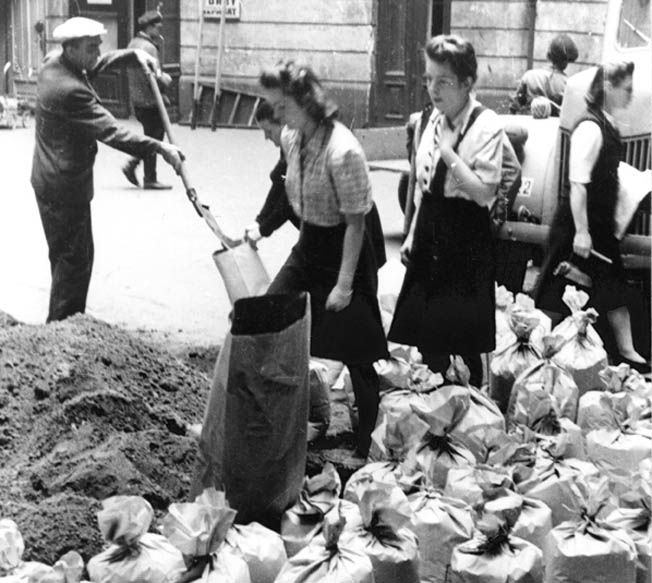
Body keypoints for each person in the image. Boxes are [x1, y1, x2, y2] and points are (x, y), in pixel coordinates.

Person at [259, 60, 388, 457]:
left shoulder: (344, 151)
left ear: (306, 102)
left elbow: (356, 225)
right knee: (267, 317)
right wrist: (260, 226)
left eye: (282, 106)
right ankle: (271, 424)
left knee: (357, 351)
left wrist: (345, 285)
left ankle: (369, 439)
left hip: (346, 249)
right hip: (309, 245)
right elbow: (284, 189)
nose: (275, 115)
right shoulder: (291, 137)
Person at [31, 17, 184, 323]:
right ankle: (64, 329)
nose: (98, 53)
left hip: (51, 182)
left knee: (67, 259)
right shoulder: (70, 90)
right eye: (91, 47)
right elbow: (114, 132)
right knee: (74, 262)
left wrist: (132, 55)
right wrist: (161, 148)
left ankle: (62, 327)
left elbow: (95, 66)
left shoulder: (55, 63)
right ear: (72, 49)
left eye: (99, 46)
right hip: (64, 187)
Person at [388, 35, 505, 388]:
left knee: (465, 337)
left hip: (465, 235)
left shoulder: (487, 125)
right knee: (427, 334)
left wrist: (451, 155)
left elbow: (485, 193)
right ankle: (436, 407)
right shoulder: (429, 119)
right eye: (428, 79)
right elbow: (422, 184)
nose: (433, 89)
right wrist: (411, 235)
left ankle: (471, 407)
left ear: (468, 83)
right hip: (430, 228)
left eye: (444, 81)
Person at [535, 61, 650, 373]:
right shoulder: (590, 127)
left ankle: (629, 354)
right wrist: (582, 232)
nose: (630, 95)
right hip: (579, 224)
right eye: (626, 89)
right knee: (554, 292)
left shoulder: (606, 123)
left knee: (613, 286)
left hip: (597, 225)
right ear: (608, 87)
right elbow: (578, 184)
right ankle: (537, 352)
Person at [122, 10, 173, 190]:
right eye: (158, 27)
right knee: (155, 138)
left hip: (137, 100)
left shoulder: (133, 43)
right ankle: (147, 176)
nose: (160, 30)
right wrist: (165, 83)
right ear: (149, 27)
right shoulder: (149, 48)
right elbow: (153, 77)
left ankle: (135, 166)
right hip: (151, 101)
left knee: (152, 137)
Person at [243, 100, 299, 245]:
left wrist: (263, 230)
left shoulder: (295, 143)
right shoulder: (287, 142)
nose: (266, 137)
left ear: (283, 124)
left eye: (269, 131)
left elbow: (290, 199)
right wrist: (260, 221)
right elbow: (279, 184)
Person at [509, 34, 579, 117]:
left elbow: (514, 106)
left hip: (530, 124)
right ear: (566, 61)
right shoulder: (568, 84)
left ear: (550, 55)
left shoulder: (529, 76)